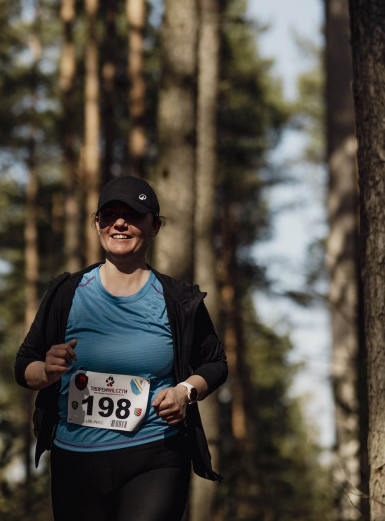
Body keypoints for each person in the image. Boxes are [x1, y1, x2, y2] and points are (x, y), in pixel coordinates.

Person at [14, 175, 228, 521]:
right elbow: (25, 364)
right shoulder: (67, 292)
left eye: (133, 215)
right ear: (97, 224)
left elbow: (215, 362)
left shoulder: (179, 300)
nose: (119, 223)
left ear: (155, 226)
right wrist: (45, 371)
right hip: (75, 462)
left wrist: (185, 392)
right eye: (109, 214)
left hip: (156, 455)